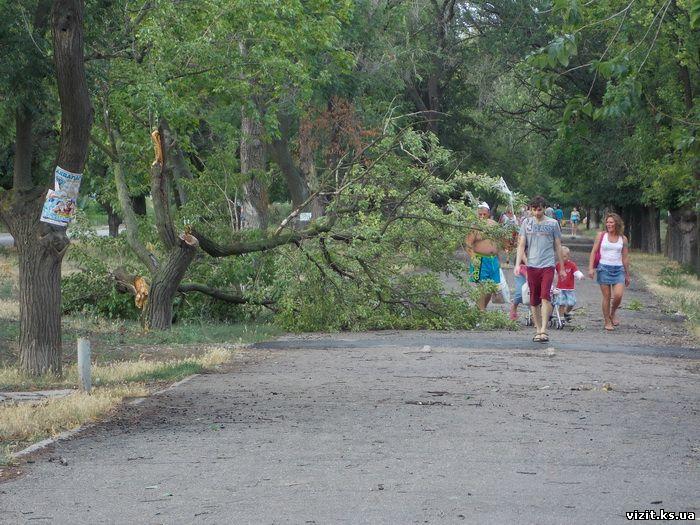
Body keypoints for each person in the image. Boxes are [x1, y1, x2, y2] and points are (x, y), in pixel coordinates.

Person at [515, 196, 566, 343]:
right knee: (533, 299)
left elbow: (558, 246)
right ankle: (537, 329)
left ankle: (544, 329)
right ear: (530, 209)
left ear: (544, 208)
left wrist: (561, 267)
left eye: (539, 209)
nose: (537, 212)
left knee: (545, 296)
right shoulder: (526, 223)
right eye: (534, 209)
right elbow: (521, 244)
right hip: (532, 266)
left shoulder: (552, 224)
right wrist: (518, 264)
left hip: (547, 265)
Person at [588, 212, 630, 331]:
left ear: (617, 223)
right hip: (604, 268)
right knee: (607, 296)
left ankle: (613, 312)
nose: (609, 224)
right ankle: (607, 320)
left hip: (618, 269)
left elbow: (625, 257)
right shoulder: (601, 235)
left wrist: (627, 274)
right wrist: (591, 268)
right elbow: (594, 252)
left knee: (618, 295)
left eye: (611, 222)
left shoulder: (623, 239)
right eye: (607, 222)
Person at [465, 202, 501, 311]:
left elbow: (499, 243)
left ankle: (480, 309)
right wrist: (473, 258)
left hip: (493, 260)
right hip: (479, 259)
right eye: (479, 214)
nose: (481, 216)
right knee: (481, 287)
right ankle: (481, 312)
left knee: (490, 288)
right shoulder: (475, 226)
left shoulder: (494, 225)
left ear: (488, 213)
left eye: (484, 214)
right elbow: (468, 244)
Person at [554, 246, 583, 321]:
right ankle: (561, 317)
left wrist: (580, 275)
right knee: (561, 303)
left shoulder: (572, 265)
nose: (563, 258)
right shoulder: (558, 265)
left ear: (568, 256)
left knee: (571, 302)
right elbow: (554, 272)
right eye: (561, 257)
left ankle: (566, 312)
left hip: (569, 288)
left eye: (564, 256)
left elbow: (576, 272)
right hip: (560, 288)